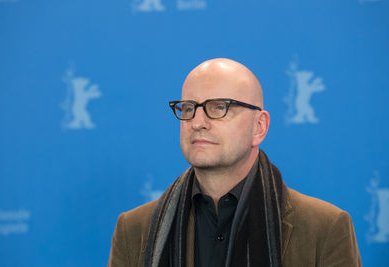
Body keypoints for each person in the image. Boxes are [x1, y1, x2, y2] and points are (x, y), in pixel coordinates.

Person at [108, 58, 361, 267]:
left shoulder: (325, 228)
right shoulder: (133, 230)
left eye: (219, 107)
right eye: (188, 108)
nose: (197, 122)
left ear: (259, 127)